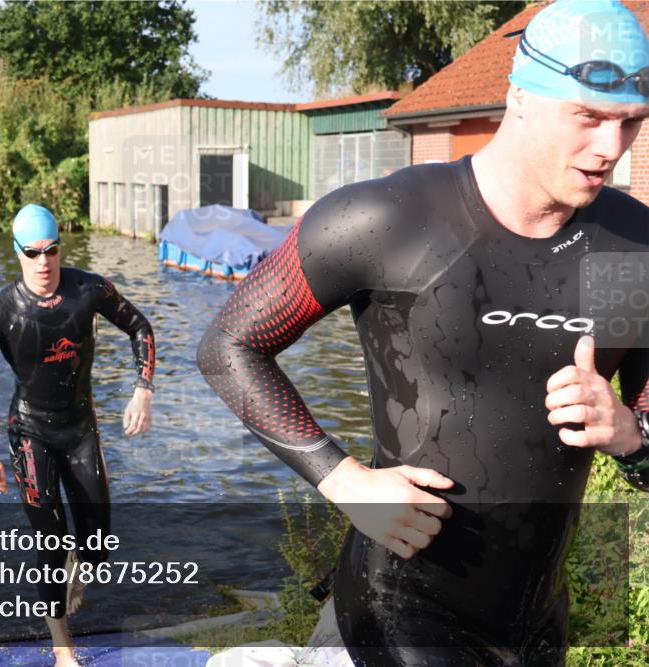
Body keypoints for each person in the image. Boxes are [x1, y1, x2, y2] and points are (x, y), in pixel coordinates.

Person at [197, 1, 649, 664]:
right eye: (587, 117)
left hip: (537, 620)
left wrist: (631, 437)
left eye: (631, 122)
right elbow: (229, 344)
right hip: (401, 604)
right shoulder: (392, 218)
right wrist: (342, 479)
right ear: (519, 96)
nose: (611, 148)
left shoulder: (625, 245)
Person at [0, 204, 156, 667]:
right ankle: (65, 651)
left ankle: (77, 568)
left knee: (97, 543)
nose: (44, 262)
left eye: (52, 250)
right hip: (29, 432)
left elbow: (139, 326)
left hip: (80, 428)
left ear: (61, 246)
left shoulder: (89, 290)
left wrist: (143, 390)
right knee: (51, 542)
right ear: (17, 253)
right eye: (33, 253)